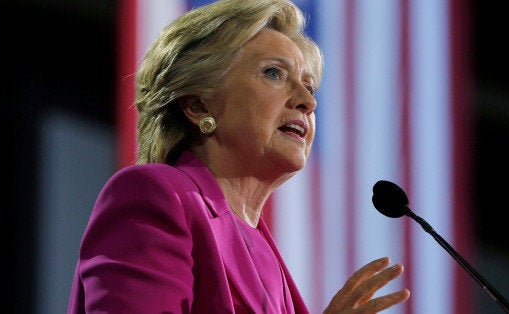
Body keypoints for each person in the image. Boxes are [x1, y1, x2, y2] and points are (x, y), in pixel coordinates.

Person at [67, 0, 411, 312]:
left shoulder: (268, 255)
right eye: (273, 73)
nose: (307, 101)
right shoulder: (155, 195)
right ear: (198, 104)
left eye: (309, 86)